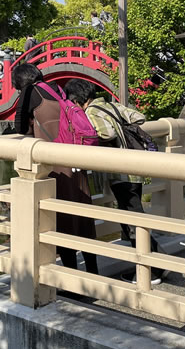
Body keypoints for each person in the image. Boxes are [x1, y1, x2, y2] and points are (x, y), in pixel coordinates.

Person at [65, 79, 164, 285]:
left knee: (133, 219)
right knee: (134, 215)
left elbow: (106, 133)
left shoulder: (91, 112)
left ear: (78, 99)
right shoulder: (110, 105)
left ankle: (152, 271)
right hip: (135, 166)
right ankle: (158, 263)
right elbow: (139, 117)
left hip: (120, 172)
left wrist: (95, 135)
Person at [12, 63, 99, 275]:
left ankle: (71, 278)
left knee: (63, 220)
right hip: (76, 160)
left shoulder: (31, 92)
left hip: (55, 167)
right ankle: (92, 273)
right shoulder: (58, 88)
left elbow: (19, 127)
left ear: (21, 81)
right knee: (83, 218)